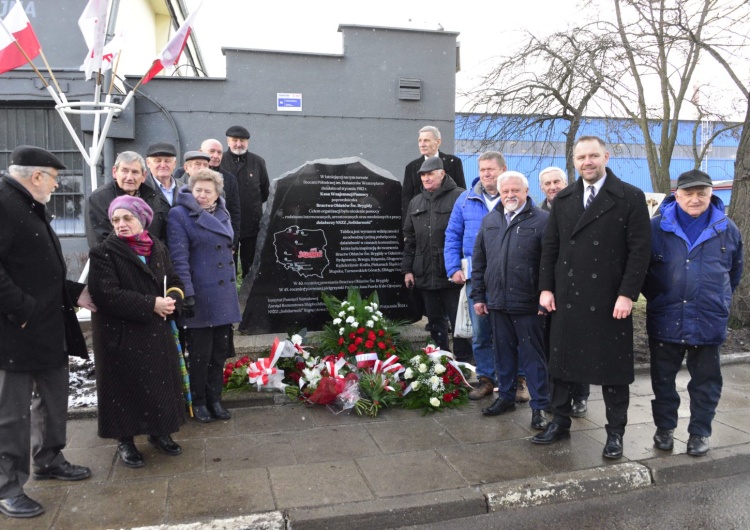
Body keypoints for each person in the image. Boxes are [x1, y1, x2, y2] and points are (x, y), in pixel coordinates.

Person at [533, 136, 651, 460]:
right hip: (567, 297)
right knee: (561, 365)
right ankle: (559, 421)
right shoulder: (565, 198)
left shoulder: (630, 197)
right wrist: (545, 288)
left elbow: (640, 253)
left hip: (610, 300)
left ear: (606, 157)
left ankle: (615, 434)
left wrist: (627, 295)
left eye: (593, 156)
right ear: (574, 161)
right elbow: (551, 248)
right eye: (582, 157)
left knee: (612, 370)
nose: (588, 161)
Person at [0, 146, 93, 519]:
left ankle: (49, 458)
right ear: (37, 176)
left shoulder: (28, 206)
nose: (57, 186)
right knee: (12, 413)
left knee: (53, 399)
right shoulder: (4, 204)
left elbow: (37, 269)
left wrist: (75, 292)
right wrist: (22, 310)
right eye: (55, 178)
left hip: (48, 326)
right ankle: (8, 487)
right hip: (15, 331)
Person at [642, 169, 743, 457]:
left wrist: (716, 298)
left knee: (706, 382)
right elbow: (643, 270)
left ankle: (700, 432)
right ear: (677, 194)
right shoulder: (656, 227)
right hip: (666, 317)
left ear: (712, 194)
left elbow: (734, 272)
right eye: (689, 193)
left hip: (708, 318)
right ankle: (664, 428)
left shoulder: (728, 228)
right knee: (663, 381)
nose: (695, 199)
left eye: (702, 193)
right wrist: (660, 296)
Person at [88, 196, 187, 468]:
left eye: (127, 218)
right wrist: (150, 303)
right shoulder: (103, 252)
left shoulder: (157, 247)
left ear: (142, 220)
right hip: (120, 335)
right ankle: (125, 441)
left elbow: (174, 280)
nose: (120, 225)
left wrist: (172, 301)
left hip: (154, 330)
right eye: (115, 220)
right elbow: (106, 294)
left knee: (157, 385)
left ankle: (159, 432)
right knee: (124, 390)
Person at [471, 171, 551, 430]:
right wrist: (479, 296)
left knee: (532, 358)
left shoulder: (543, 221)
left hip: (529, 304)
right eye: (505, 191)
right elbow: (480, 261)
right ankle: (505, 397)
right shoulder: (490, 220)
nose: (510, 195)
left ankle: (539, 407)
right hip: (497, 303)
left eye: (515, 190)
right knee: (502, 354)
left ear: (527, 191)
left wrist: (545, 295)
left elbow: (550, 264)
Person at [168, 168, 241, 423]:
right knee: (200, 354)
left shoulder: (223, 212)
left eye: (207, 191)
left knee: (219, 352)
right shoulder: (179, 215)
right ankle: (198, 401)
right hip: (200, 294)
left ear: (216, 194)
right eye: (197, 189)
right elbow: (179, 258)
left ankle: (215, 399)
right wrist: (187, 292)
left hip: (223, 295)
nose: (201, 195)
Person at [444, 151, 506, 400]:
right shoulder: (465, 199)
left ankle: (518, 379)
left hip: (509, 277)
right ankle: (486, 378)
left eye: (491, 169)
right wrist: (453, 268)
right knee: (480, 332)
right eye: (482, 170)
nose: (486, 174)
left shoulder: (515, 194)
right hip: (475, 278)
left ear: (503, 169)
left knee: (510, 332)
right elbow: (452, 235)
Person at [402, 157, 472, 361]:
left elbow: (468, 235)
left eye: (430, 173)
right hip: (425, 272)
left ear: (442, 173)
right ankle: (443, 361)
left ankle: (464, 363)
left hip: (452, 273)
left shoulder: (460, 196)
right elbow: (410, 238)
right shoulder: (416, 201)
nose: (426, 178)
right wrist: (408, 269)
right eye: (423, 175)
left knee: (459, 322)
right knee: (435, 322)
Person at [538, 166, 589, 417]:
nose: (552, 187)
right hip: (550, 288)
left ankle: (580, 396)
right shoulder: (538, 213)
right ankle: (556, 396)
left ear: (566, 182)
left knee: (578, 344)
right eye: (547, 183)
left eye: (556, 181)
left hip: (577, 288)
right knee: (553, 347)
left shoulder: (580, 206)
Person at [85, 151, 169, 247]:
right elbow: (100, 243)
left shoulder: (153, 197)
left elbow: (162, 236)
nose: (129, 177)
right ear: (114, 172)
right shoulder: (99, 199)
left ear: (144, 176)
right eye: (124, 171)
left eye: (135, 172)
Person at [219, 125, 270, 277]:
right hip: (226, 223)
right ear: (228, 142)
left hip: (251, 223)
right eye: (234, 140)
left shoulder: (257, 162)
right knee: (227, 266)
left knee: (251, 266)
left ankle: (248, 297)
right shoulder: (220, 161)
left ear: (247, 142)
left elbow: (265, 191)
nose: (238, 144)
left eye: (242, 140)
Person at [173, 140, 241, 251]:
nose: (202, 168)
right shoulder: (177, 188)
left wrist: (232, 243)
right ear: (186, 168)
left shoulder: (220, 189)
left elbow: (230, 215)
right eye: (197, 164)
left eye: (205, 165)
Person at [402, 125, 466, 222]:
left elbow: (462, 194)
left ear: (438, 142)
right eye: (420, 140)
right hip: (421, 222)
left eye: (426, 140)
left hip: (449, 220)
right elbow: (406, 200)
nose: (421, 144)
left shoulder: (454, 163)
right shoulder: (412, 167)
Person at [145, 142, 180, 207]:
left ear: (175, 163)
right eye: (157, 161)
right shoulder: (142, 188)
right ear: (148, 163)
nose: (163, 165)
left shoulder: (185, 190)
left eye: (167, 161)